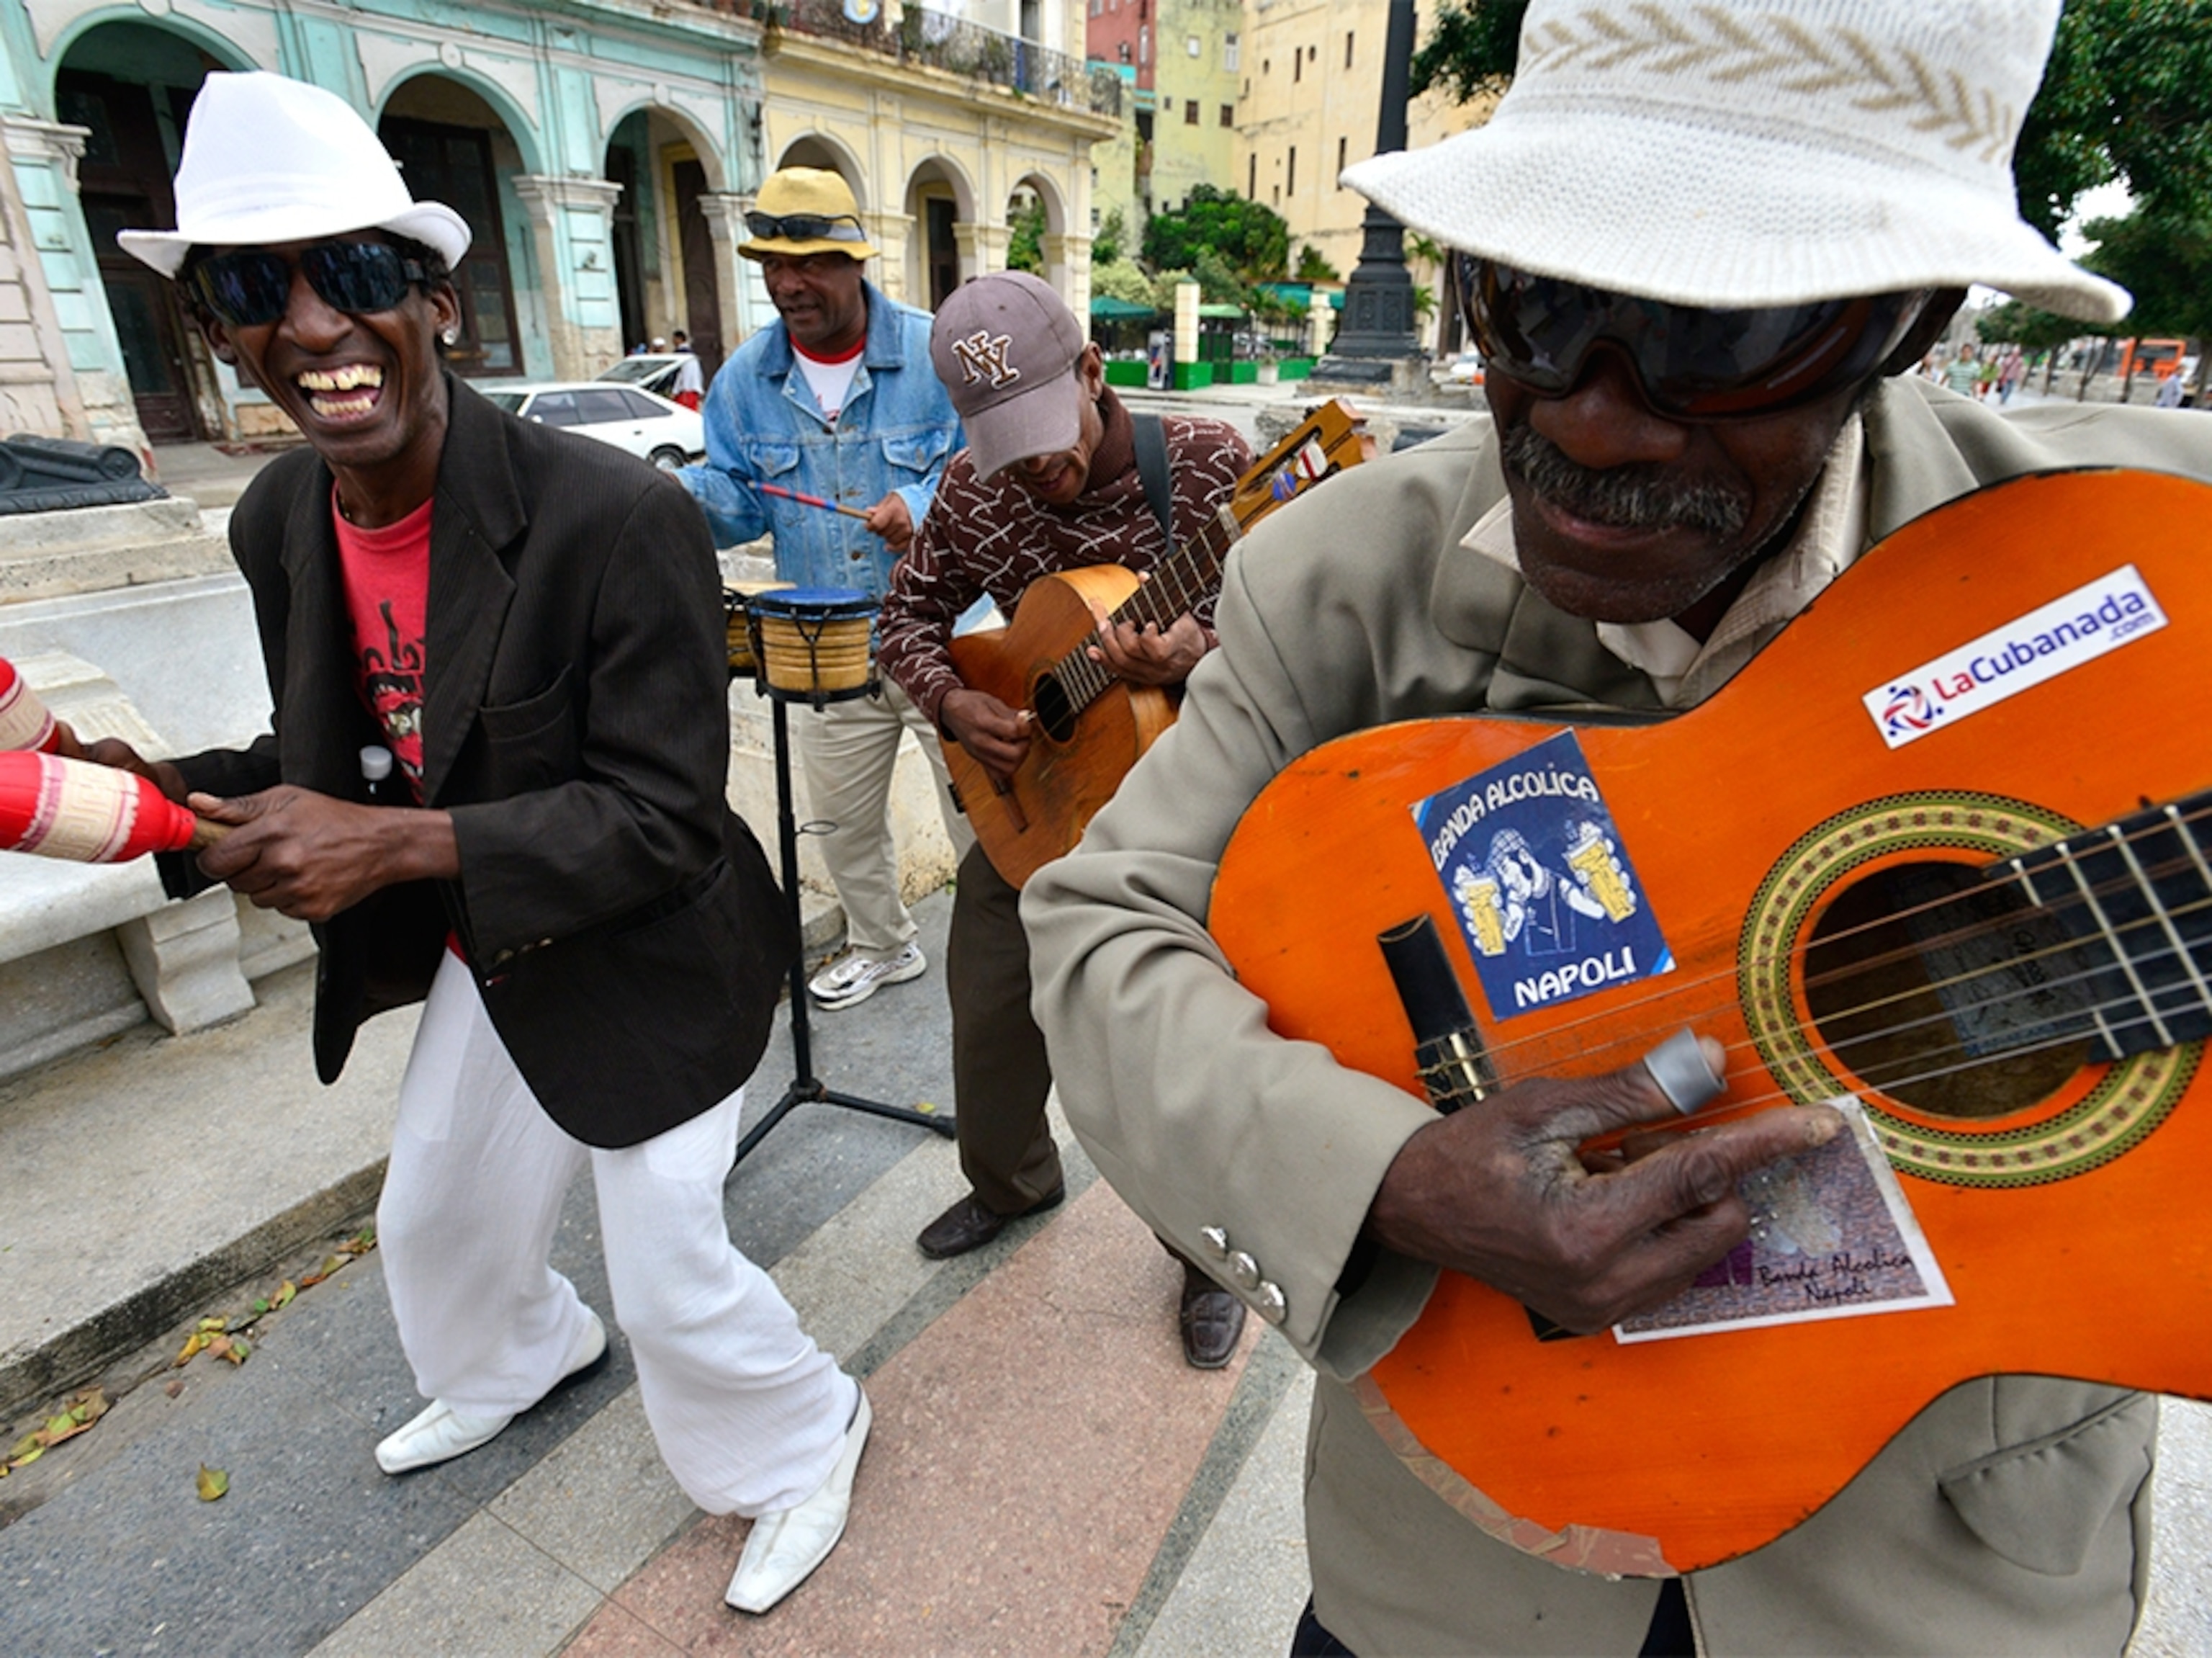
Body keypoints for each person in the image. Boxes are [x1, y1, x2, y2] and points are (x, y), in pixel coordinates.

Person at [1022, 1, 2212, 1651]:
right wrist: (1382, 1179)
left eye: (1721, 339)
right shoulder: (1340, 574)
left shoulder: (2152, 583)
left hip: (1930, 1580)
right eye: (1532, 301)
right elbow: (1098, 928)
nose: (1592, 416)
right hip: (1459, 1567)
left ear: (1908, 319)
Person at [105, 71, 868, 1617]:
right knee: (434, 1208)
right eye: (258, 287)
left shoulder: (611, 515)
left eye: (360, 276)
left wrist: (388, 851)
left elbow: (658, 818)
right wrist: (140, 795)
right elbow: (335, 758)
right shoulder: (275, 521)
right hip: (493, 931)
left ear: (437, 301)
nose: (314, 325)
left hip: (659, 945)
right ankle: (525, 1349)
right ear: (218, 331)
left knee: (666, 1264)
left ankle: (803, 1437)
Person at [876, 272, 1254, 1367]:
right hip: (1035, 808)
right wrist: (952, 699)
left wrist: (1202, 651)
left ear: (1094, 372)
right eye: (1006, 444)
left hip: (1181, 817)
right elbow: (908, 611)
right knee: (988, 1013)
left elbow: (1312, 625)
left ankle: (1209, 1253)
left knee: (1170, 1053)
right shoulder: (974, 490)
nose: (1038, 467)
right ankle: (1011, 1182)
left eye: (1048, 431)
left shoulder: (1216, 470)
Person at [680, 166, 967, 1011]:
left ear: (854, 261)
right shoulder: (743, 381)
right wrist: (672, 498)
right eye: (772, 263)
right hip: (828, 643)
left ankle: (1015, 952)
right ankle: (885, 944)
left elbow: (988, 468)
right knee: (842, 825)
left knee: (986, 816)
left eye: (809, 262)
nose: (789, 283)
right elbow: (736, 506)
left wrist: (920, 504)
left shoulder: (931, 353)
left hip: (945, 637)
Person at [670, 329, 706, 410]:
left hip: (683, 391)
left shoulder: (679, 355)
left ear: (679, 339)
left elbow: (679, 374)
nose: (673, 342)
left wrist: (674, 391)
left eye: (674, 339)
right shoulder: (693, 355)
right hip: (694, 390)